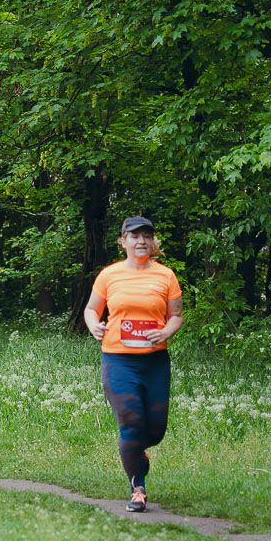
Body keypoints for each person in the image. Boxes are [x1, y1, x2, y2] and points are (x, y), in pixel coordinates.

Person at [83, 216, 183, 513]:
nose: (141, 241)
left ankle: (137, 451)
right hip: (118, 359)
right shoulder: (109, 275)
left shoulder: (165, 276)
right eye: (134, 236)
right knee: (130, 423)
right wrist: (94, 326)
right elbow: (91, 309)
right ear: (123, 241)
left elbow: (176, 315)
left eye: (146, 236)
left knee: (154, 432)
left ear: (153, 242)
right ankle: (138, 487)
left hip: (154, 361)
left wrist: (165, 331)